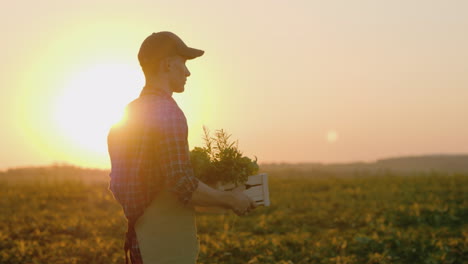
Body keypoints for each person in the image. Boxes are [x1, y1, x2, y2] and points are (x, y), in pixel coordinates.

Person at [107, 31, 257, 264]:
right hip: (168, 248)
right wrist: (231, 199)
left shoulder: (127, 115)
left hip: (141, 242)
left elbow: (126, 186)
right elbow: (181, 183)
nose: (188, 72)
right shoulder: (168, 113)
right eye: (183, 63)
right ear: (167, 65)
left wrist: (214, 191)